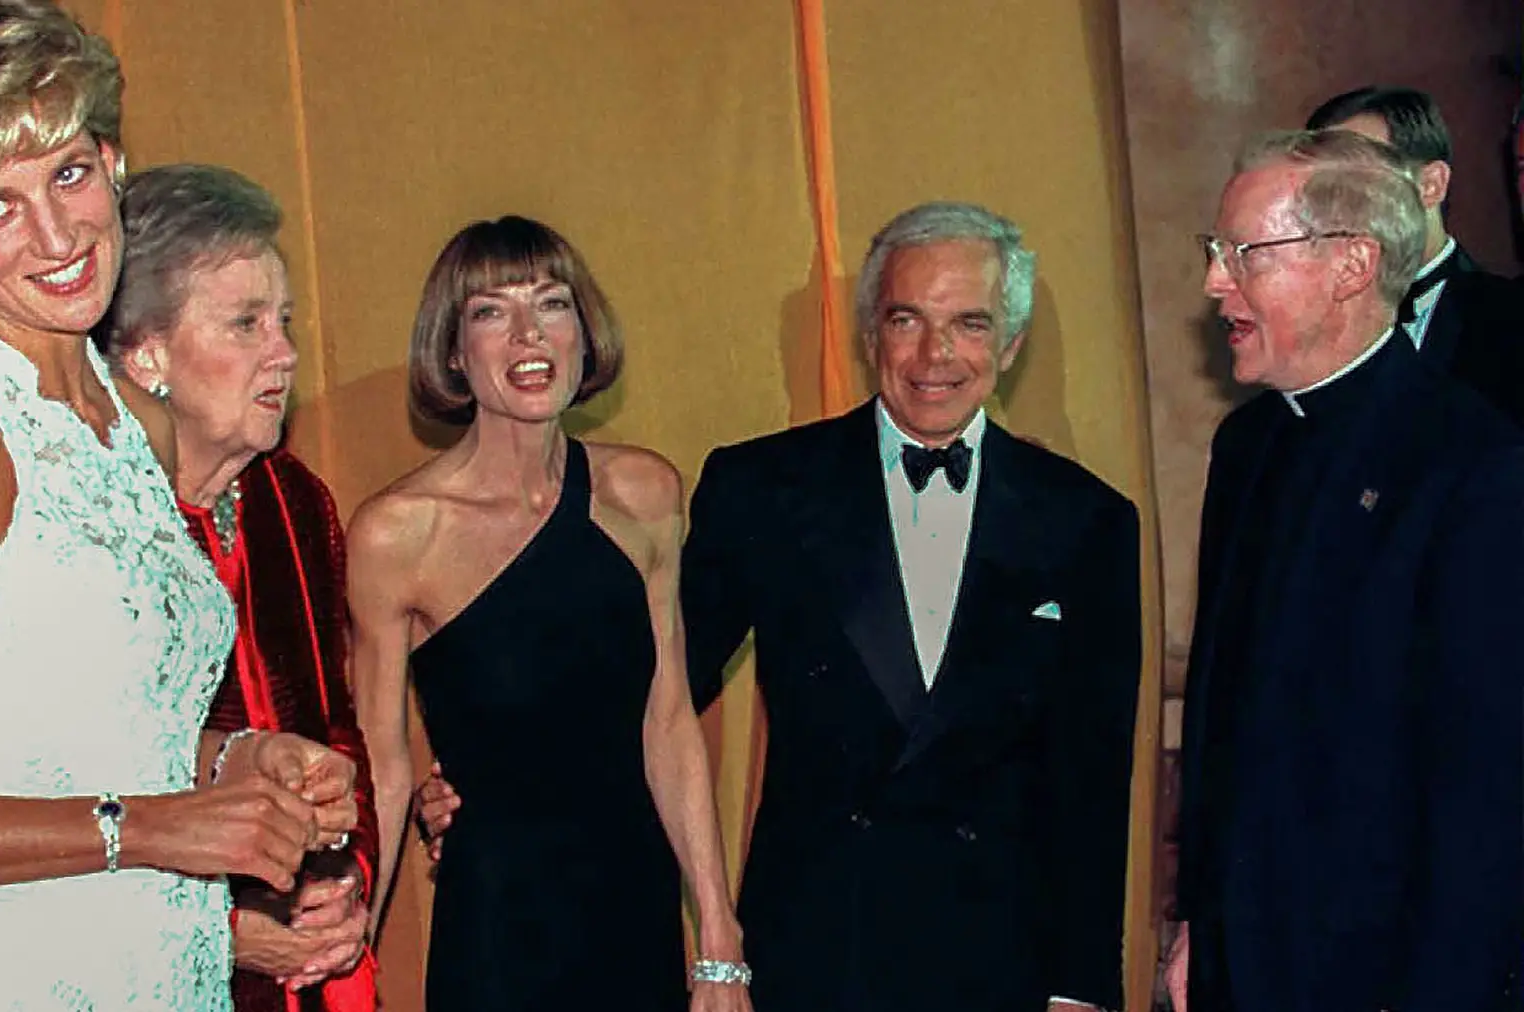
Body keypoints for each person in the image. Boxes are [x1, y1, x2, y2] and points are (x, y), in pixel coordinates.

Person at [0, 3, 355, 1008]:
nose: (57, 234)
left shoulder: (137, 421)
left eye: (69, 174)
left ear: (113, 159)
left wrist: (241, 764)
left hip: (166, 973)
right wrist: (150, 827)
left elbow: (91, 738)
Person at [419, 202, 1142, 1012]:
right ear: (870, 334)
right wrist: (493, 783)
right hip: (815, 952)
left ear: (1009, 345)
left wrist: (1082, 988)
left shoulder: (1088, 521)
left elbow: (1092, 779)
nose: (934, 355)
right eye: (906, 319)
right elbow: (647, 693)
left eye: (969, 324)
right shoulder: (764, 489)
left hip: (998, 962)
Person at [349, 216, 751, 1012]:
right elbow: (383, 772)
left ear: (584, 330)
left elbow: (669, 721)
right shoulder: (397, 534)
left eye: (551, 303)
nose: (528, 334)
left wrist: (719, 941)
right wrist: (348, 958)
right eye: (490, 311)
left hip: (634, 912)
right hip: (495, 928)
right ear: (453, 350)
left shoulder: (646, 494)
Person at [1164, 129, 1524, 1012]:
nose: (1214, 282)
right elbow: (1219, 711)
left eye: (1244, 253)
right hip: (1238, 955)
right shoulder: (1245, 444)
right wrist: (1197, 921)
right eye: (1215, 251)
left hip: (1381, 972)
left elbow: (1484, 787)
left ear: (1352, 265)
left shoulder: (1472, 463)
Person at [102, 164, 378, 1012]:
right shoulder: (87, 528)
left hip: (316, 974)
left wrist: (349, 880)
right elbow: (45, 799)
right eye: (246, 323)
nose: (285, 353)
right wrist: (218, 927)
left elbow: (336, 728)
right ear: (147, 353)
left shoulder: (294, 501)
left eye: (284, 321)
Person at [1307, 85, 1524, 422]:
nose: (1338, 204)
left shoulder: (1510, 317)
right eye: (1323, 185)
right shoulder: (1310, 326)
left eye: (1359, 177)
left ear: (1431, 185)